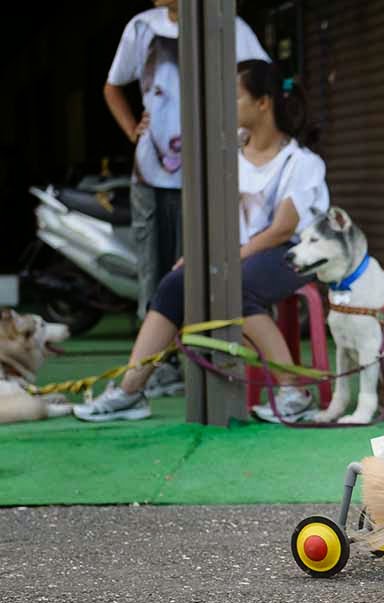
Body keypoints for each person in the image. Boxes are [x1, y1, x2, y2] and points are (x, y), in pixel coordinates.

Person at [75, 60, 329, 423]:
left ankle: (294, 392)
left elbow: (282, 230)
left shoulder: (302, 163)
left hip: (293, 255)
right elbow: (215, 217)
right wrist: (199, 257)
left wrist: (231, 260)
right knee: (174, 284)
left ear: (263, 103)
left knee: (235, 286)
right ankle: (130, 392)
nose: (228, 106)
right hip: (240, 258)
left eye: (236, 97)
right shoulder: (231, 158)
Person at [103, 0, 270, 398]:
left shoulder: (230, 26)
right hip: (150, 175)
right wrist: (132, 129)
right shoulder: (142, 27)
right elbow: (113, 85)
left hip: (211, 175)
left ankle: (197, 362)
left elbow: (264, 80)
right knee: (153, 270)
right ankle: (156, 371)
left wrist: (245, 139)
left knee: (193, 272)